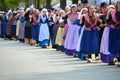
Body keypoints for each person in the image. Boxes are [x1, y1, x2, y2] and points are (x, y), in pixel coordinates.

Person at [107, 1, 120, 66]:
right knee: (114, 45)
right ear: (117, 5)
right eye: (119, 3)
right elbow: (108, 21)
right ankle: (115, 59)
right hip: (114, 30)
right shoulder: (112, 12)